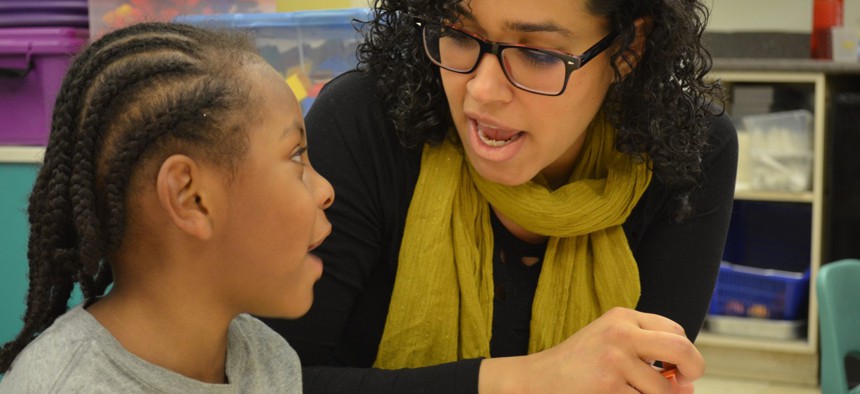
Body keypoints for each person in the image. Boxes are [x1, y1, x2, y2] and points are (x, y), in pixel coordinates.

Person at [264, 0, 738, 392]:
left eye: (540, 56)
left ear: (627, 49)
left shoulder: (692, 147)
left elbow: (648, 379)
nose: (482, 90)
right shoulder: (363, 123)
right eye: (459, 33)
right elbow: (265, 380)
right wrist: (529, 380)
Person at [0, 21, 334, 393]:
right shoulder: (62, 386)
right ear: (191, 197)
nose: (326, 191)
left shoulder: (268, 360)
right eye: (296, 155)